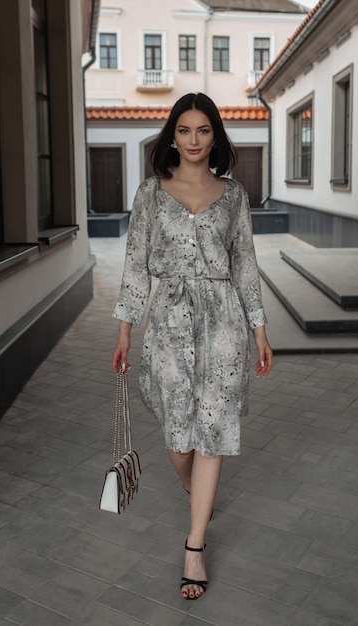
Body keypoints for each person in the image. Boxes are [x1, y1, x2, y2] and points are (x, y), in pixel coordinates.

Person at [111, 92, 273, 600]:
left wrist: (260, 330)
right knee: (179, 437)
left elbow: (245, 263)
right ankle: (193, 490)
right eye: (185, 130)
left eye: (204, 130)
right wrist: (124, 330)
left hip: (224, 323)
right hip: (168, 323)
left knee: (214, 428)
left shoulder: (235, 195)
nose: (195, 140)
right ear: (172, 136)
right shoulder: (150, 194)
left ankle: (195, 544)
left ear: (215, 136)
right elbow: (135, 265)